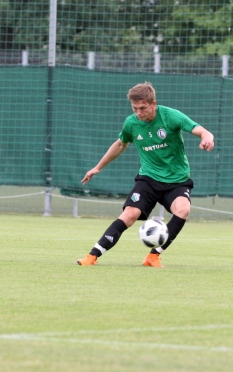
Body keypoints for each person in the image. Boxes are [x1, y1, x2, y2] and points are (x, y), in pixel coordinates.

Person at [76, 82, 214, 268]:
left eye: (143, 108)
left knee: (183, 210)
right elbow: (120, 144)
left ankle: (153, 256)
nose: (139, 113)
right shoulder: (131, 123)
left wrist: (207, 138)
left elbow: (201, 130)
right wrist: (97, 168)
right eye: (135, 109)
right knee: (129, 214)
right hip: (148, 179)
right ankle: (92, 256)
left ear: (153, 104)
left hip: (177, 180)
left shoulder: (171, 117)